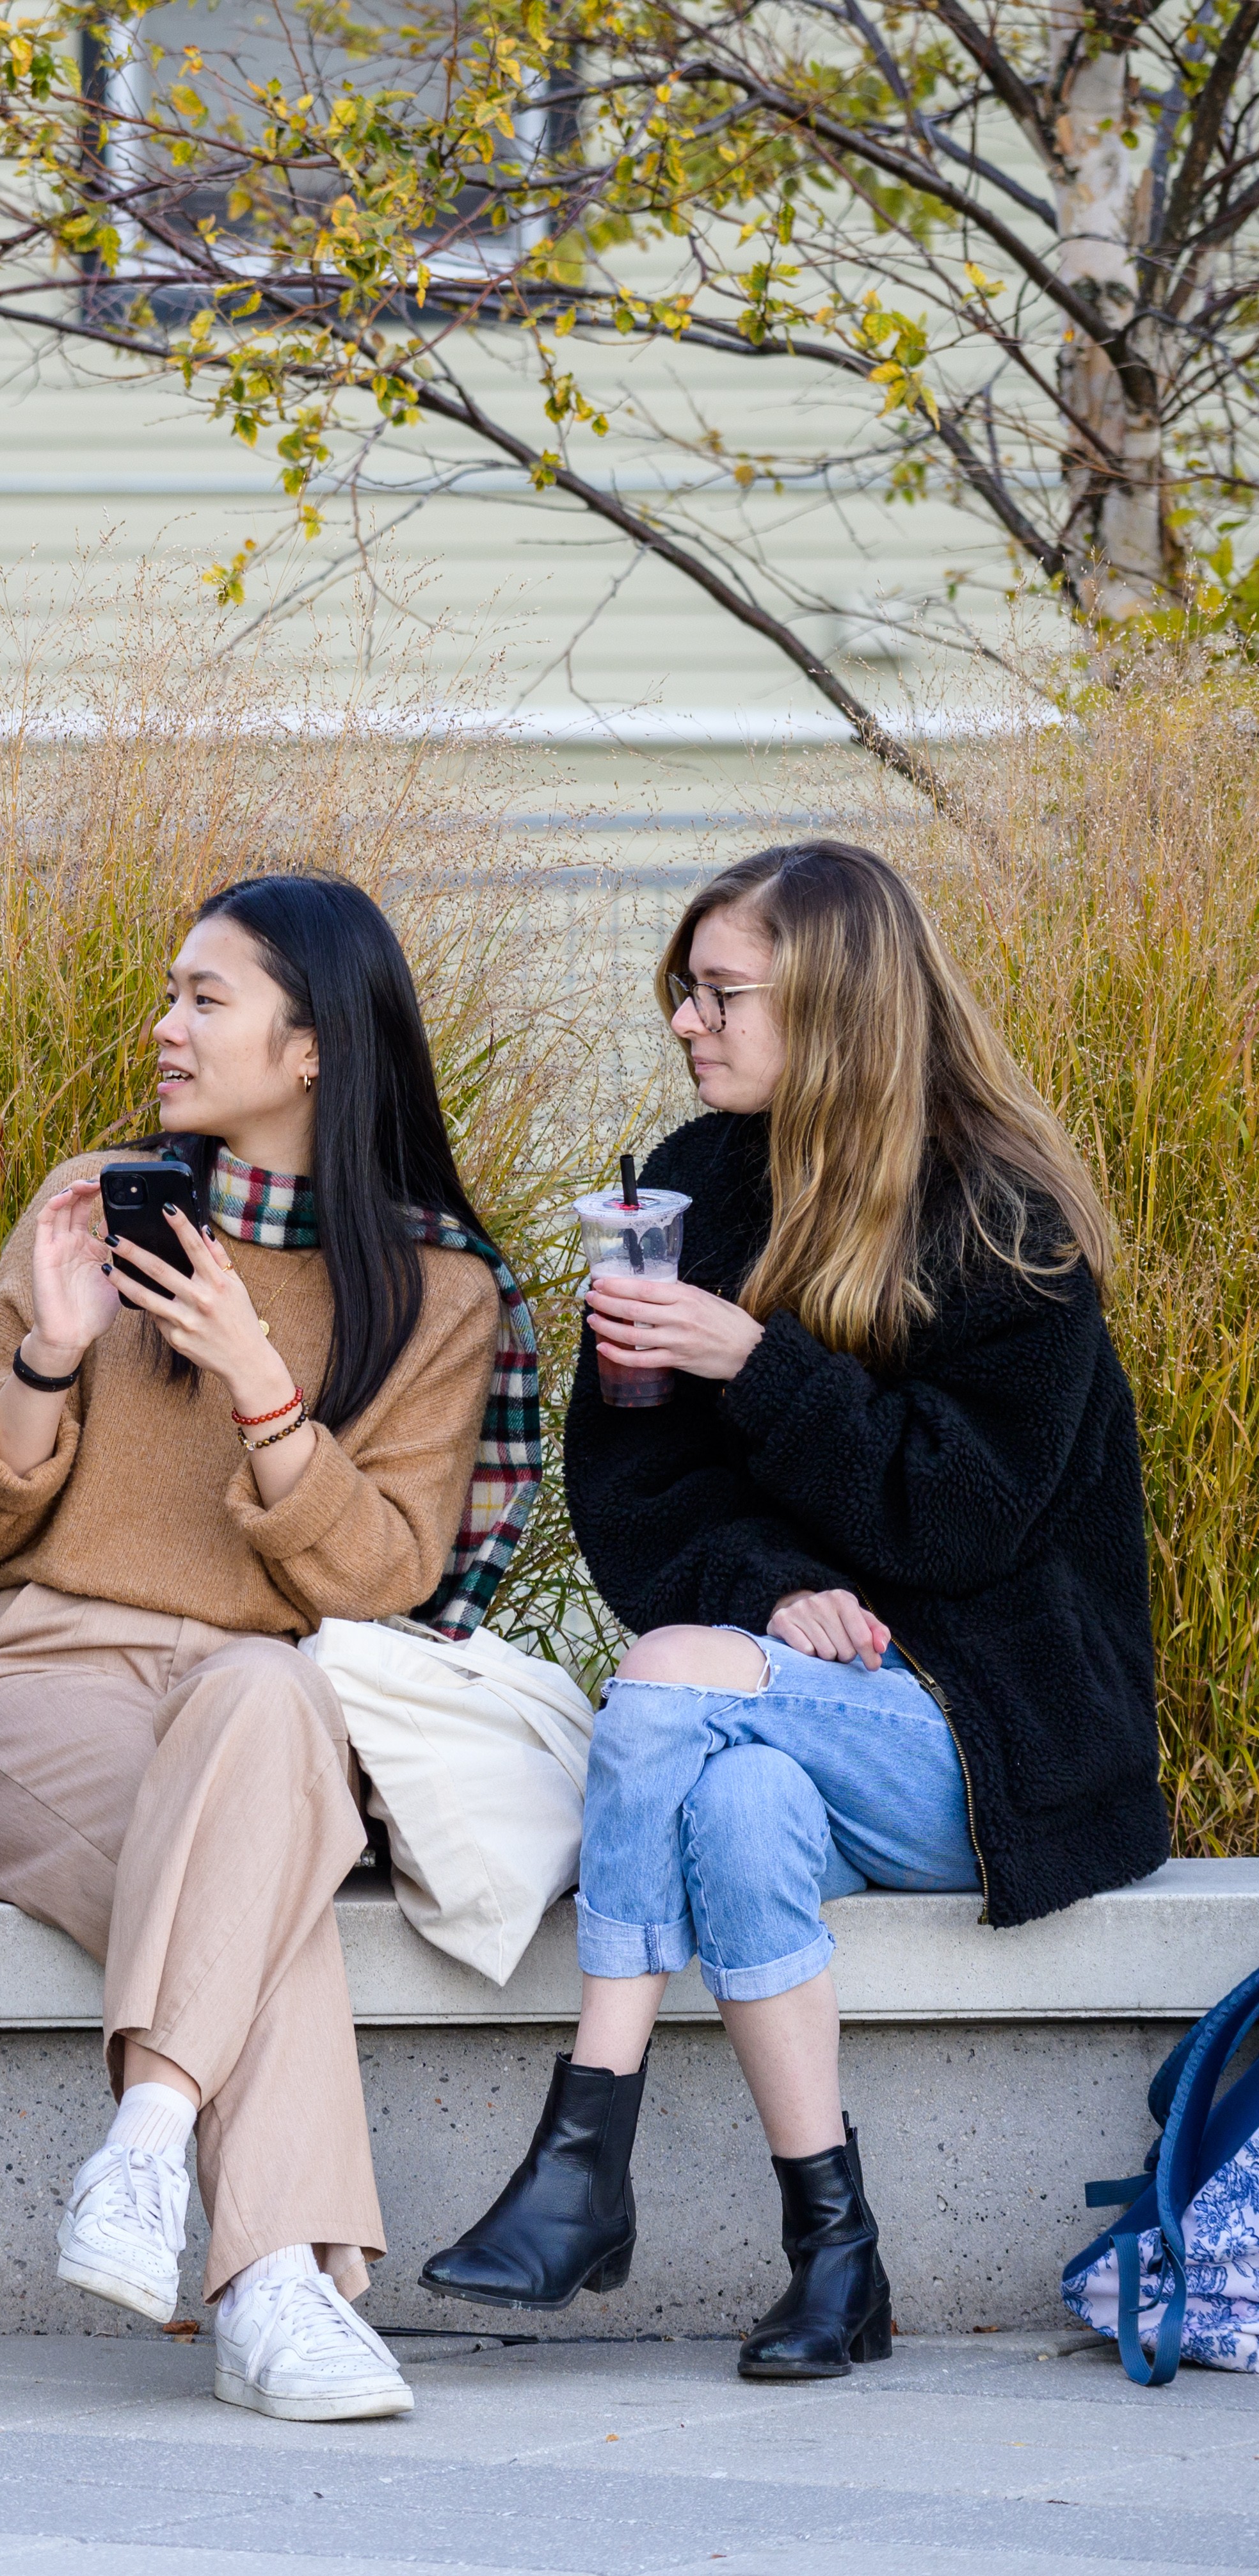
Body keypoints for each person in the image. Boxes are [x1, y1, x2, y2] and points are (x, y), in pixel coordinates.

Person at [421, 839, 1160, 2378]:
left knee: (678, 1679)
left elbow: (973, 1517)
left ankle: (583, 2154)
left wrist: (749, 1357)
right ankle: (838, 2253)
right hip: (790, 1718)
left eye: (721, 992)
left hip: (1002, 1740)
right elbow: (634, 1501)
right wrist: (773, 1587)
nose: (688, 1022)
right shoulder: (690, 1182)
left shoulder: (1006, 1220)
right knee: (739, 1799)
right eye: (680, 993)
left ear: (835, 1003)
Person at [0, 874, 539, 2423]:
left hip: (253, 1709)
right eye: (172, 993)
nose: (165, 1023)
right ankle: (282, 2284)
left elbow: (390, 1574)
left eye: (205, 996)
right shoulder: (94, 1201)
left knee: (270, 1689)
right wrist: (53, 1353)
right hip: (47, 1687)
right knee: (268, 1904)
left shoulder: (438, 1290)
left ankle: (149, 2150)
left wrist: (271, 1398)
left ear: (316, 1042)